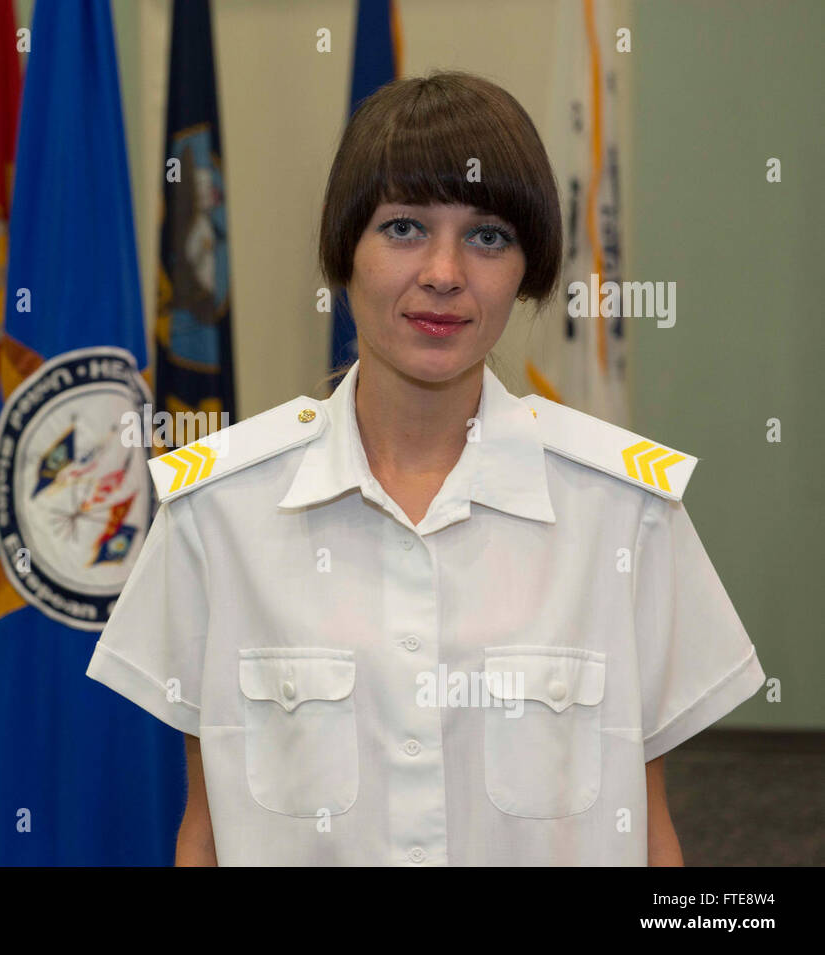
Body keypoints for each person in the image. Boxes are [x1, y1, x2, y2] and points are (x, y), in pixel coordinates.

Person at [85, 71, 765, 866]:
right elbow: (202, 831)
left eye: (488, 236)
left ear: (528, 268)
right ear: (346, 252)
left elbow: (649, 831)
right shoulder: (220, 510)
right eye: (405, 227)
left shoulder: (625, 512)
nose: (445, 272)